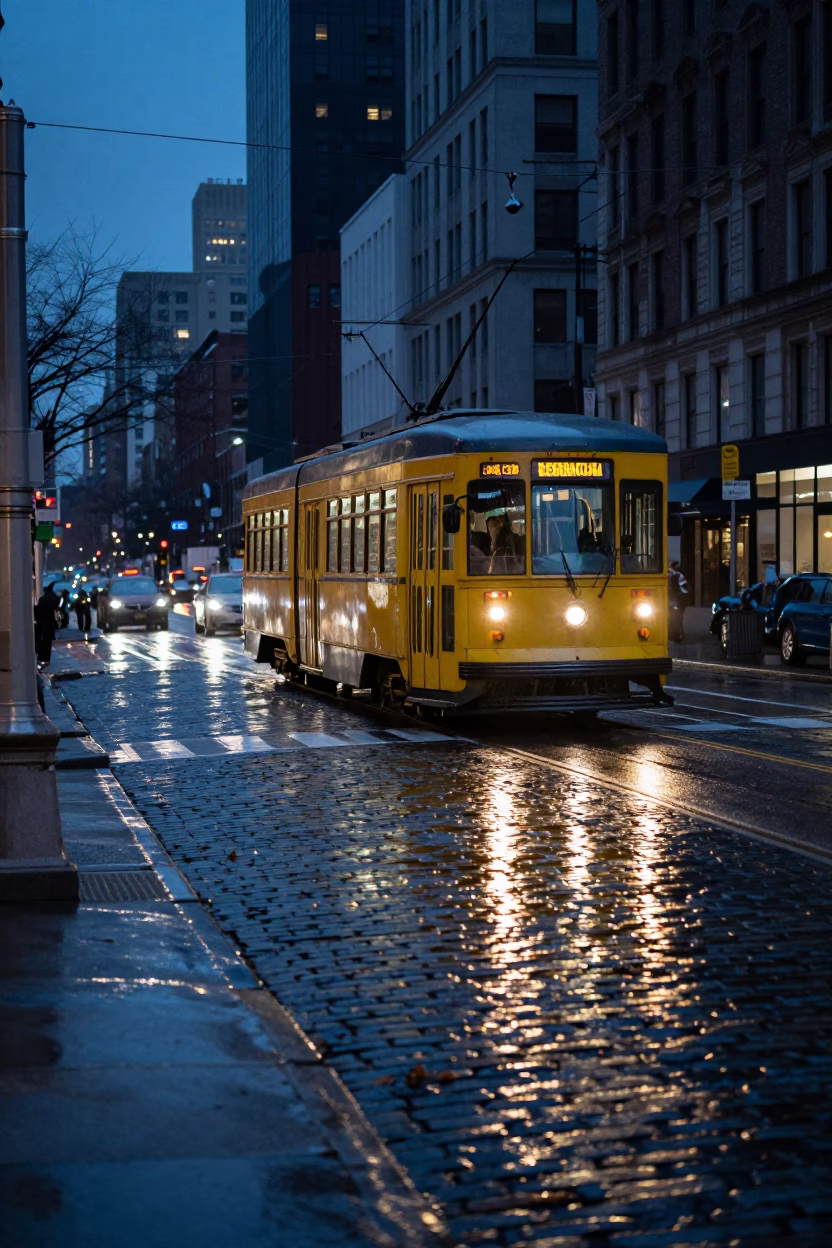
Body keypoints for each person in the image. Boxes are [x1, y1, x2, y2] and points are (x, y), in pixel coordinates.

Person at [34, 583, 60, 666]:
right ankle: (46, 658)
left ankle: (42, 658)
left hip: (42, 623)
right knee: (48, 641)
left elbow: (37, 611)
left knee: (42, 641)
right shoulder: (52, 598)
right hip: (49, 623)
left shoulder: (43, 599)